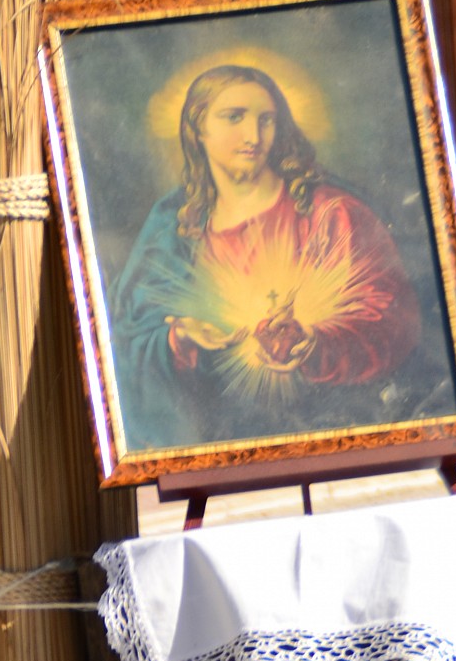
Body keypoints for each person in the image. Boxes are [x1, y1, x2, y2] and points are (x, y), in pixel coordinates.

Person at [109, 65, 423, 451]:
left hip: (332, 431)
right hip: (216, 441)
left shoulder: (329, 213)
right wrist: (182, 338)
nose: (254, 136)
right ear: (198, 129)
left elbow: (391, 316)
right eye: (234, 117)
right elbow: (126, 339)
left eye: (267, 120)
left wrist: (316, 344)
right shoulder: (170, 228)